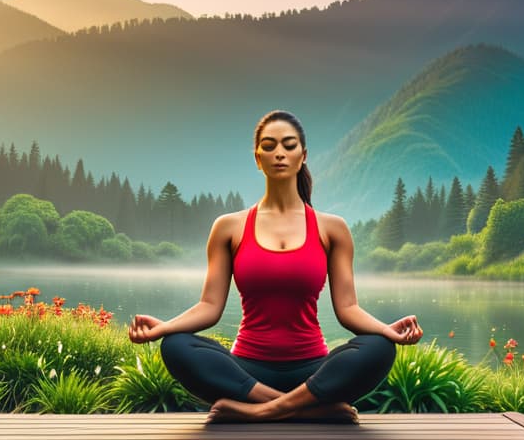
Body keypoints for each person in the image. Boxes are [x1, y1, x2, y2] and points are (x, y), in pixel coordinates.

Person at [127, 110, 423, 422]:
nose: (279, 153)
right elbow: (209, 306)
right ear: (257, 158)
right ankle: (310, 410)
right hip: (247, 372)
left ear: (303, 155)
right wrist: (164, 328)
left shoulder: (332, 229)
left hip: (313, 371)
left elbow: (348, 309)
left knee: (380, 348)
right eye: (268, 146)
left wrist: (387, 331)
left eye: (288, 145)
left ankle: (262, 412)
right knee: (176, 346)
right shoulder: (229, 227)